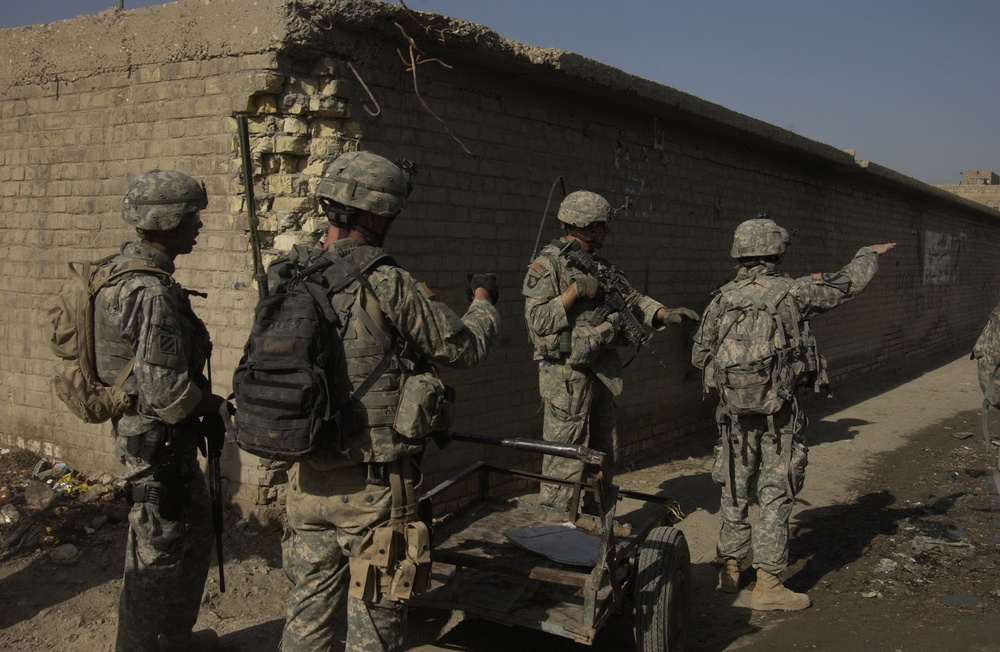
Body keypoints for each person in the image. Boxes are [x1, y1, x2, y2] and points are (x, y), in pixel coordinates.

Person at [279, 151, 501, 652]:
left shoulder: (291, 275)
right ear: (376, 214)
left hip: (306, 480)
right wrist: (483, 302)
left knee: (306, 621)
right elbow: (462, 347)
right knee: (375, 625)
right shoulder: (386, 280)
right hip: (372, 490)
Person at [691, 215, 895, 611]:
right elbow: (847, 283)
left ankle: (729, 573)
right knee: (775, 490)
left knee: (733, 486)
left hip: (732, 414)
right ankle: (768, 586)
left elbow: (700, 355)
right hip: (778, 414)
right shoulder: (794, 293)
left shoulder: (720, 299)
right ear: (776, 253)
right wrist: (868, 254)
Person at [95, 170, 226, 651]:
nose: (199, 227)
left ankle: (174, 638)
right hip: (158, 444)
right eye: (193, 217)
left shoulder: (121, 274)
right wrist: (213, 405)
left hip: (158, 441)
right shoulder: (150, 293)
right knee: (155, 555)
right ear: (169, 220)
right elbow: (164, 390)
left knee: (191, 542)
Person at [522, 190, 699, 511]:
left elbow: (633, 300)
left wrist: (664, 314)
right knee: (564, 453)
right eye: (601, 225)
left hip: (600, 370)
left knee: (602, 450)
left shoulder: (602, 267)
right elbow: (537, 320)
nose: (606, 231)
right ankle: (555, 526)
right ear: (584, 225)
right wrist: (574, 291)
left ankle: (594, 520)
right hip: (565, 375)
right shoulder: (547, 265)